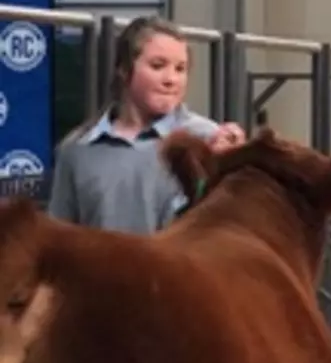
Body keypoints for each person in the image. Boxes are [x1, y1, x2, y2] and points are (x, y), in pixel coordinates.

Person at [47, 16, 245, 234]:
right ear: (124, 69)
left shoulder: (208, 140)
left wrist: (234, 163)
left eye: (180, 69)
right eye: (158, 66)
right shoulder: (77, 150)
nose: (171, 79)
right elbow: (58, 241)